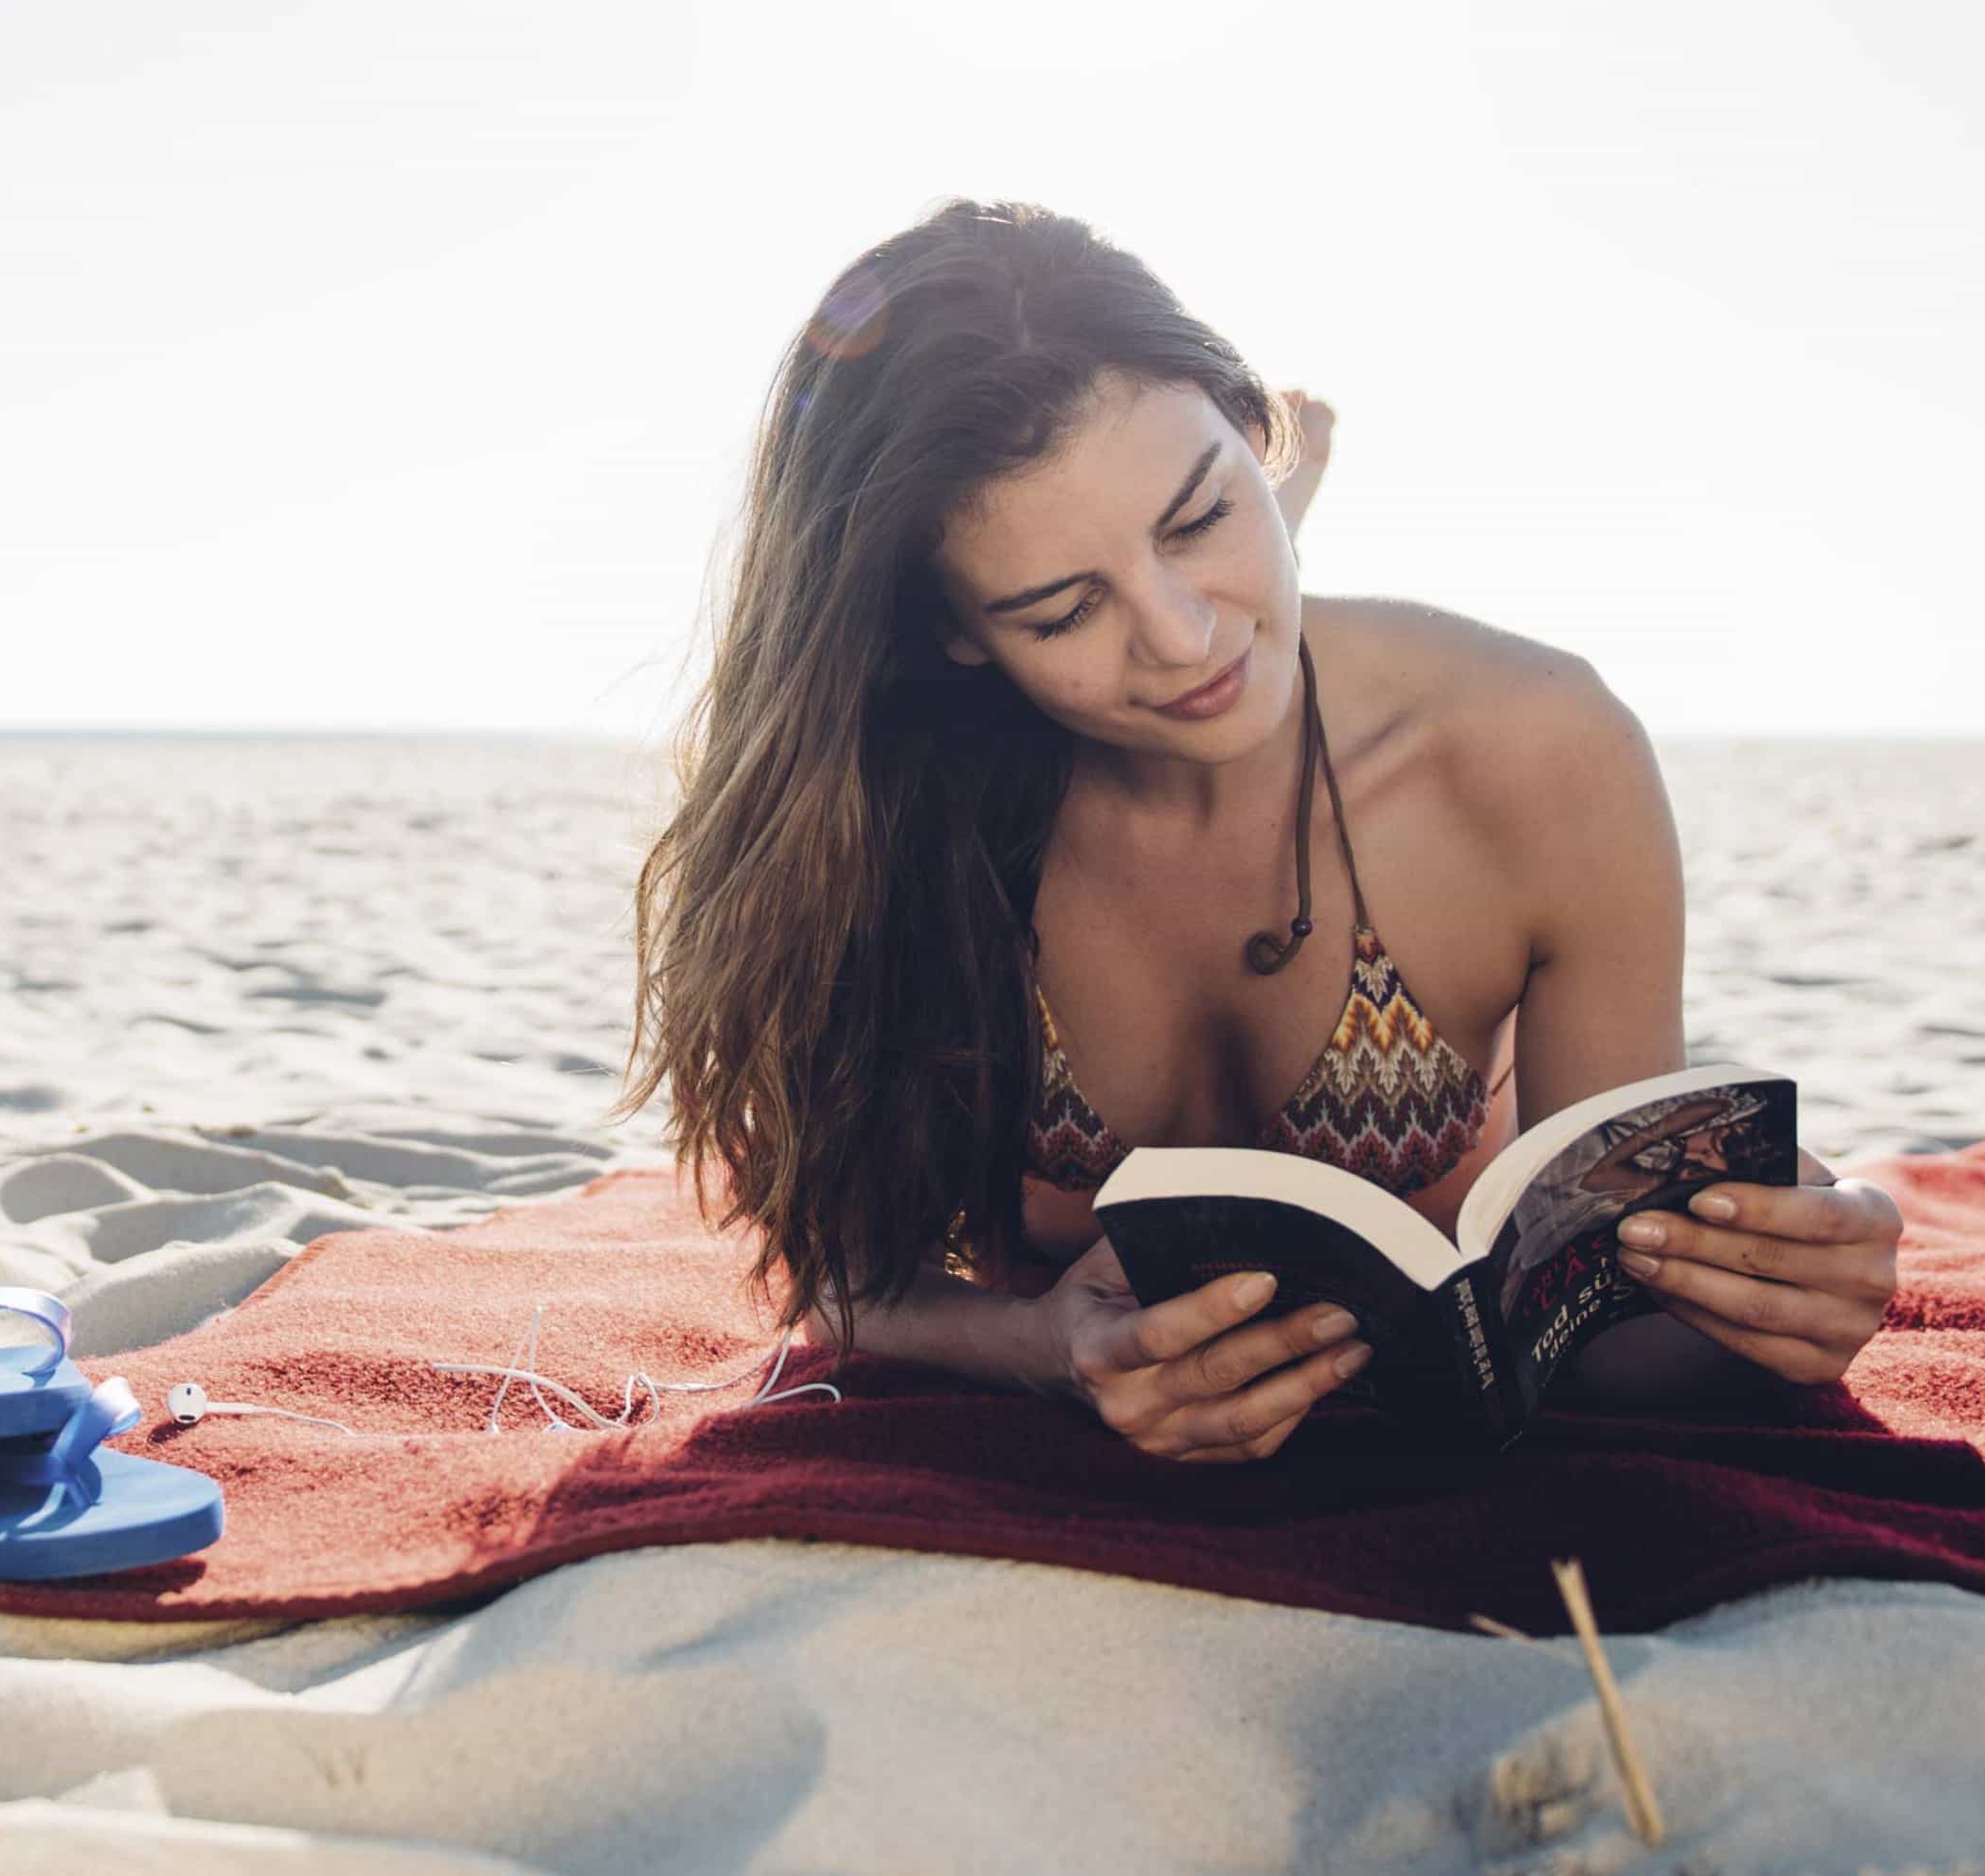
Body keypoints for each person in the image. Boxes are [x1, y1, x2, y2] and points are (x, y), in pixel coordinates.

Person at [617, 198, 1899, 1464]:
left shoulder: (1536, 747)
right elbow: (838, 1274)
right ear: (953, 632)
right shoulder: (889, 813)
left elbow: (1609, 1342)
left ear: (1246, 427)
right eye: (1062, 612)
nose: (1182, 641)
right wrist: (1049, 1350)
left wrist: (1776, 1304)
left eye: (1203, 515)